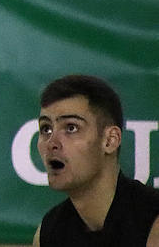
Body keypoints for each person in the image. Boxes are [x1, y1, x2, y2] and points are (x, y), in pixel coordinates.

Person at [34, 74, 159, 246]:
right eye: (46, 129)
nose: (52, 143)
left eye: (71, 128)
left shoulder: (153, 223)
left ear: (110, 140)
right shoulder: (49, 232)